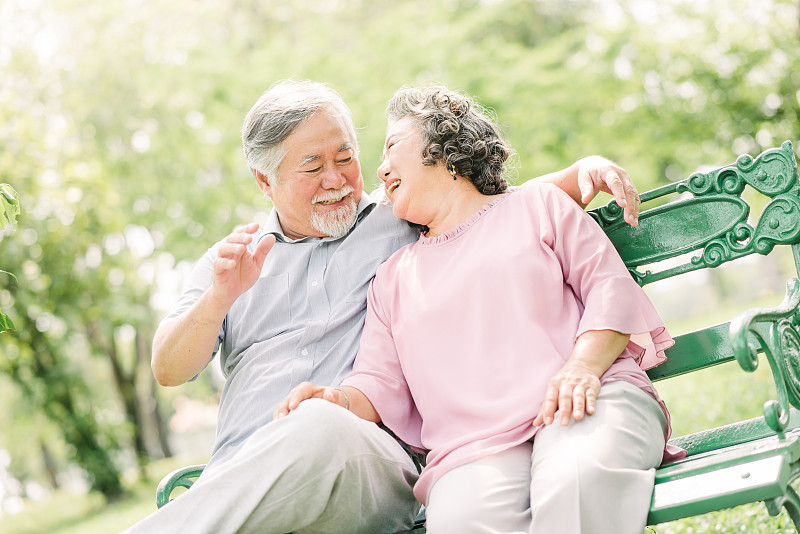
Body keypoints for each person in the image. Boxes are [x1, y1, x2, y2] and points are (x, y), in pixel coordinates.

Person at [124, 79, 643, 534]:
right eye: (312, 167)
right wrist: (220, 297)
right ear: (265, 182)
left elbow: (486, 211)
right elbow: (170, 369)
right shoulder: (231, 262)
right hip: (241, 484)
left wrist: (579, 174)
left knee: (318, 423)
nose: (337, 179)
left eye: (345, 157)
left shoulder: (397, 221)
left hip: (359, 467)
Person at [275, 84, 685, 534]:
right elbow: (377, 380)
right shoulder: (392, 277)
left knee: (576, 482)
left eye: (392, 146)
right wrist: (335, 399)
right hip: (475, 448)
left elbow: (608, 288)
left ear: (442, 146)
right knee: (462, 523)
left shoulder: (538, 206)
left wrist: (582, 367)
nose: (380, 167)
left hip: (588, 398)